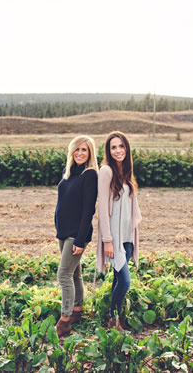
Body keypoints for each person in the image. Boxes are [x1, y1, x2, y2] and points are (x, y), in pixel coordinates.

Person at [96, 131, 142, 332]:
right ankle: (113, 318)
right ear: (108, 150)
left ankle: (113, 320)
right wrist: (107, 240)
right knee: (124, 281)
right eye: (113, 147)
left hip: (127, 236)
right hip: (114, 236)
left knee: (117, 278)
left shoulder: (127, 172)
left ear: (127, 148)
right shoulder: (106, 171)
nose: (118, 151)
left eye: (121, 146)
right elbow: (103, 210)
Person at [54, 135, 98, 337]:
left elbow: (88, 210)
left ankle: (65, 320)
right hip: (63, 232)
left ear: (90, 154)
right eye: (77, 149)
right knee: (74, 274)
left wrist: (80, 240)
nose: (80, 153)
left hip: (76, 234)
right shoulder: (68, 172)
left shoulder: (90, 175)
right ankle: (78, 310)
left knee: (63, 275)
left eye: (84, 150)